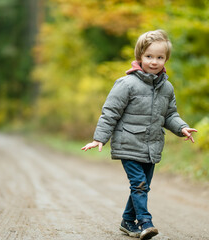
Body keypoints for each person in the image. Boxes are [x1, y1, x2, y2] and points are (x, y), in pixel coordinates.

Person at [81, 29, 197, 239]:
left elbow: (170, 114)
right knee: (139, 185)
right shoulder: (126, 84)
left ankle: (127, 220)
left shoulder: (167, 88)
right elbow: (110, 113)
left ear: (166, 59)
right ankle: (145, 222)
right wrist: (100, 138)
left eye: (160, 57)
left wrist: (181, 127)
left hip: (151, 145)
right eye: (149, 56)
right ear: (140, 57)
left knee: (143, 187)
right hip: (129, 143)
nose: (154, 62)